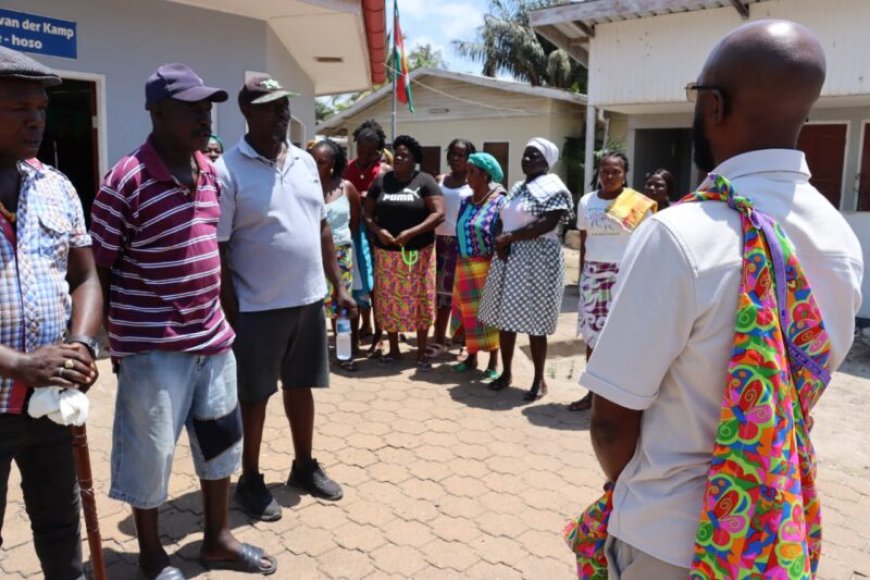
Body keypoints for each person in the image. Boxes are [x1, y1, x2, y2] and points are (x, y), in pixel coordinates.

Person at [578, 21, 863, 578]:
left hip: (667, 537)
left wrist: (631, 490)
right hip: (774, 532)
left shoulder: (680, 233)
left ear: (713, 105)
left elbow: (611, 422)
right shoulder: (840, 240)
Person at [90, 63, 276, 578]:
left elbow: (211, 249)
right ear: (156, 112)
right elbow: (98, 269)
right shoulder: (124, 181)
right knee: (148, 455)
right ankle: (151, 555)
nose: (204, 116)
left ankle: (216, 539)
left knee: (221, 446)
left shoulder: (210, 171)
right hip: (153, 349)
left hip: (212, 340)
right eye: (191, 108)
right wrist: (117, 340)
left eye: (207, 106)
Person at [216, 76, 354, 523]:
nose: (282, 114)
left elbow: (322, 227)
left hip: (308, 301)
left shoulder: (304, 162)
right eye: (272, 107)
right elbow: (218, 247)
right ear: (247, 113)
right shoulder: (228, 170)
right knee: (255, 396)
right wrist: (230, 308)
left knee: (303, 386)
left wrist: (340, 285)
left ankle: (303, 466)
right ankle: (250, 480)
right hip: (256, 307)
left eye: (284, 106)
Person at [0, 46, 102, 580]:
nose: (36, 119)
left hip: (51, 403)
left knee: (61, 526)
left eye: (40, 107)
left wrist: (82, 345)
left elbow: (85, 277)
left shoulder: (56, 186)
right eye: (20, 108)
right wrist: (18, 364)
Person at [478, 138, 574, 401]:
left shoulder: (555, 188)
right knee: (506, 318)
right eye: (525, 155)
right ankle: (506, 373)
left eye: (534, 156)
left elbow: (546, 223)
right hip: (510, 256)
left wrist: (509, 238)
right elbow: (502, 216)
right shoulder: (519, 186)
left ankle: (538, 380)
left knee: (535, 321)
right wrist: (500, 241)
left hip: (539, 259)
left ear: (547, 161)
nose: (528, 160)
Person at [569, 151, 655, 412]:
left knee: (621, 337)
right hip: (594, 278)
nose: (609, 176)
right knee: (592, 338)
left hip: (624, 276)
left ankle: (620, 399)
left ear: (625, 174)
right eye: (604, 171)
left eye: (615, 172)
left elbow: (646, 244)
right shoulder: (586, 202)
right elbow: (585, 242)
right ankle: (592, 395)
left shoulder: (637, 204)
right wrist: (583, 275)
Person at [363, 134, 445, 368]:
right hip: (386, 253)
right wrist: (378, 231)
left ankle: (421, 352)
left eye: (404, 155)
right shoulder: (381, 181)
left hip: (419, 253)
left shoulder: (425, 180)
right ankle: (394, 349)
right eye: (397, 154)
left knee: (420, 299)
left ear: (414, 160)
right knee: (388, 299)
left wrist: (412, 232)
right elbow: (368, 214)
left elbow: (438, 214)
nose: (399, 158)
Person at [450, 152, 506, 379]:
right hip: (463, 266)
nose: (467, 175)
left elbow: (501, 235)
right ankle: (472, 357)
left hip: (487, 268)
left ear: (485, 176)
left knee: (490, 315)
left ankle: (493, 361)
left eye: (472, 171)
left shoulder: (499, 202)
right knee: (467, 315)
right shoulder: (465, 201)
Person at [310, 138, 363, 370]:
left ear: (333, 163)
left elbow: (355, 220)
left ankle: (344, 354)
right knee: (313, 306)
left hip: (341, 253)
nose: (315, 165)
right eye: (312, 160)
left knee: (341, 306)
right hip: (310, 254)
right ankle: (315, 355)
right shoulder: (304, 186)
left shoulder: (346, 187)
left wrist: (338, 242)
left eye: (321, 162)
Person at [345, 120, 391, 353]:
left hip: (378, 235)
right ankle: (366, 325)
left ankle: (380, 335)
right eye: (360, 151)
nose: (363, 156)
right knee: (359, 282)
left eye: (368, 152)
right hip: (354, 232)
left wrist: (365, 197)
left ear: (378, 151)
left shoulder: (384, 172)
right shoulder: (349, 168)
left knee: (378, 286)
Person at [429, 139, 475, 358]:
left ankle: (461, 338)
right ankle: (438, 338)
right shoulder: (440, 180)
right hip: (437, 241)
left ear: (469, 158)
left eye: (461, 154)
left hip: (460, 243)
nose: (456, 158)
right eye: (453, 154)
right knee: (439, 294)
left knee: (459, 294)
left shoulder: (473, 184)